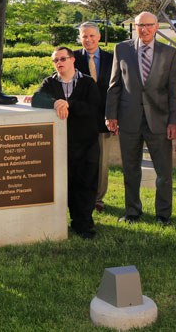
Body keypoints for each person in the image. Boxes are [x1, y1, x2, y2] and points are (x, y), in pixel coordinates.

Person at [105, 11, 176, 225]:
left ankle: (163, 215)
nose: (144, 29)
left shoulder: (169, 53)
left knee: (163, 172)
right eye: (140, 25)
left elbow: (174, 90)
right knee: (130, 169)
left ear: (157, 27)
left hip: (160, 120)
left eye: (148, 25)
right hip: (129, 119)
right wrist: (110, 115)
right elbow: (114, 85)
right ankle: (132, 212)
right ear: (135, 27)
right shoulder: (122, 49)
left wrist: (174, 121)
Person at [31, 47, 100, 239]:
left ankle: (83, 225)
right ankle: (62, 224)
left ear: (72, 60)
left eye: (63, 59)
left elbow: (93, 107)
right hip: (60, 145)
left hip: (86, 144)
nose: (59, 63)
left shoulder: (87, 82)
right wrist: (56, 103)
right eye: (55, 60)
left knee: (85, 185)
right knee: (64, 186)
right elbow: (37, 100)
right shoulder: (49, 82)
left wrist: (70, 104)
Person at [73, 21, 114, 212]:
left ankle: (98, 199)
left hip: (104, 119)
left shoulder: (112, 58)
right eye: (84, 36)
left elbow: (119, 89)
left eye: (91, 36)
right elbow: (59, 78)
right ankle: (81, 197)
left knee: (101, 162)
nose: (88, 40)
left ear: (98, 37)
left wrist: (114, 116)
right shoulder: (72, 58)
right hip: (79, 120)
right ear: (80, 38)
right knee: (80, 161)